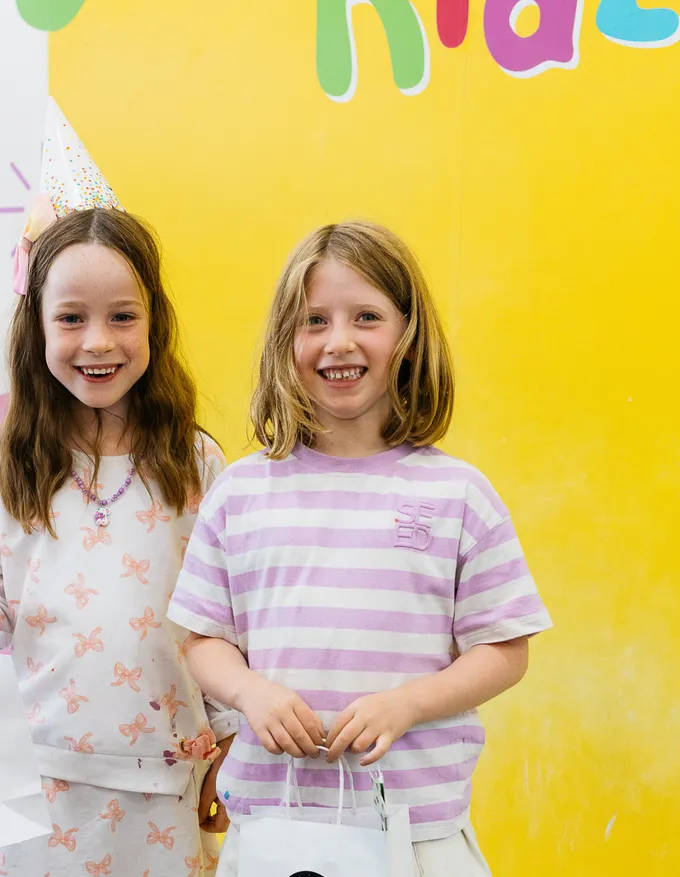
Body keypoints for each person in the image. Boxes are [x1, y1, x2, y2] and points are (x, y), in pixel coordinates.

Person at [0, 98, 235, 877]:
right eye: (72, 318)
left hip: (167, 788)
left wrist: (231, 737)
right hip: (38, 789)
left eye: (123, 316)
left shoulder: (197, 468)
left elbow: (226, 616)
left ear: (154, 321)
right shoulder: (6, 473)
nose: (98, 341)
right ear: (38, 329)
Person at [167, 220, 552, 875]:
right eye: (313, 320)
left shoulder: (459, 493)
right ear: (284, 342)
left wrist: (408, 704)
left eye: (366, 316)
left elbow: (505, 648)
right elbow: (202, 637)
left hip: (417, 834)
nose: (338, 341)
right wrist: (251, 693)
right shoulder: (240, 492)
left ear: (408, 334)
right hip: (270, 831)